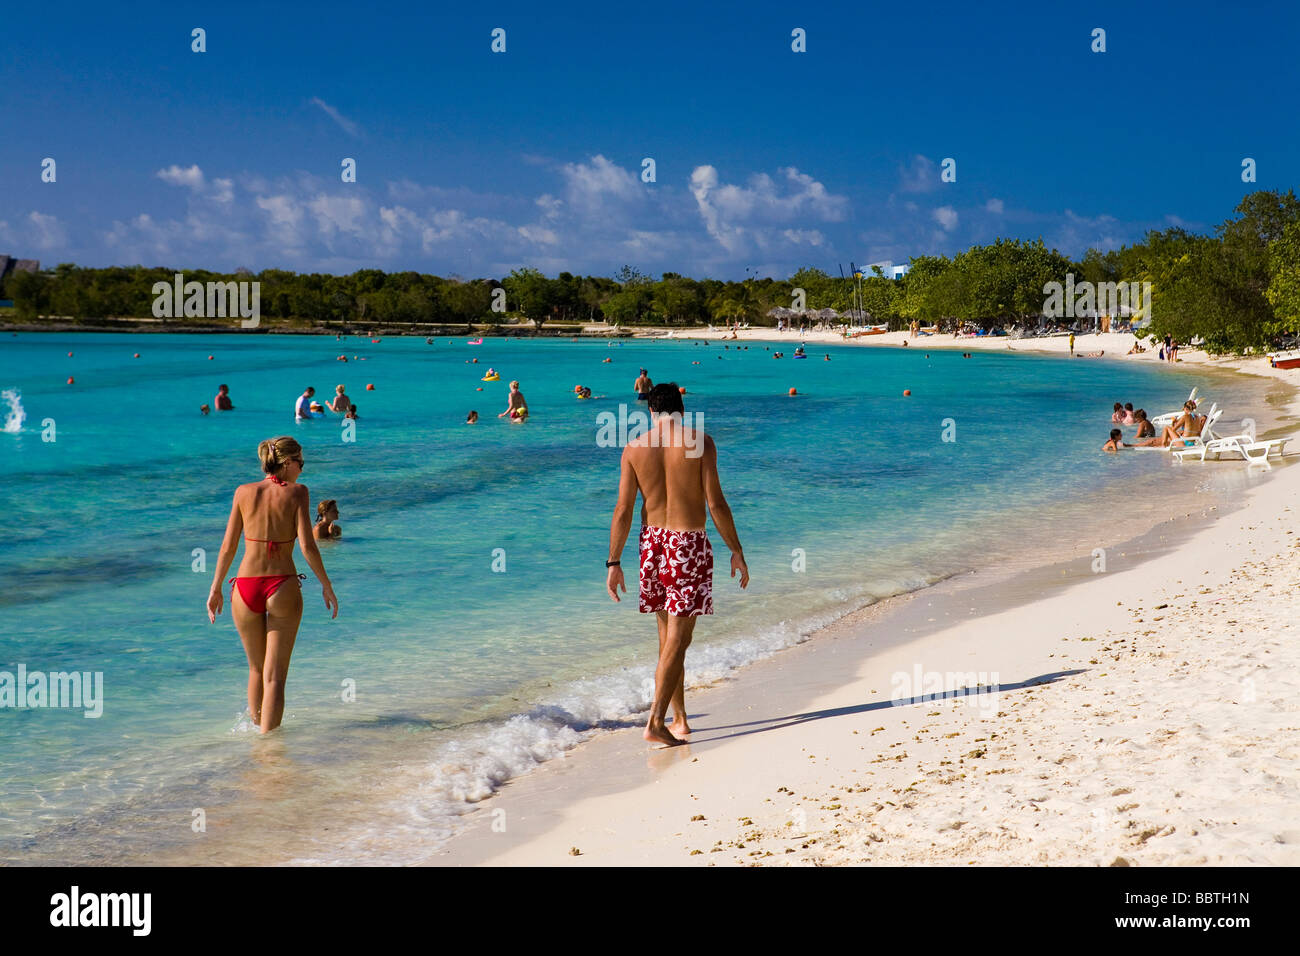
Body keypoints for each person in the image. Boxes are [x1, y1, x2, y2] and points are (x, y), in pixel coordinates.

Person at [605, 383, 749, 747]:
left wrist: (613, 562)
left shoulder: (634, 449)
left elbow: (622, 510)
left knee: (667, 640)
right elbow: (716, 504)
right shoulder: (701, 442)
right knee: (679, 640)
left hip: (652, 543)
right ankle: (655, 721)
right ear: (681, 410)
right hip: (687, 543)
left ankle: (680, 718)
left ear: (650, 413)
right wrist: (737, 550)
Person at [207, 437, 338, 733]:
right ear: (287, 463)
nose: (302, 470)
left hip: (244, 587)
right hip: (281, 585)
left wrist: (215, 587)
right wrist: (326, 584)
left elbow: (228, 546)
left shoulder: (243, 492)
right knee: (275, 676)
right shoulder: (298, 493)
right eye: (300, 463)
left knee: (255, 669)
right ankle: (270, 751)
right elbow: (307, 545)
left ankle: (257, 737)